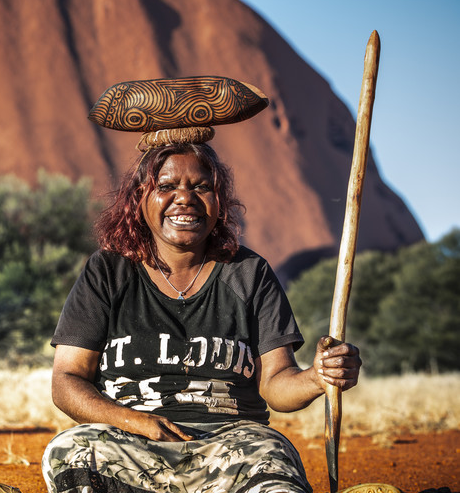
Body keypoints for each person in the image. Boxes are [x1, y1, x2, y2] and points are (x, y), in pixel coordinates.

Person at [42, 139, 362, 493]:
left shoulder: (248, 273)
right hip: (129, 442)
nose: (185, 198)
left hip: (231, 448)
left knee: (274, 455)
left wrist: (319, 377)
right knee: (70, 451)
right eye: (165, 186)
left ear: (219, 202)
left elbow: (276, 384)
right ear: (139, 199)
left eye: (202, 187)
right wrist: (134, 421)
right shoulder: (107, 271)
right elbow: (66, 380)